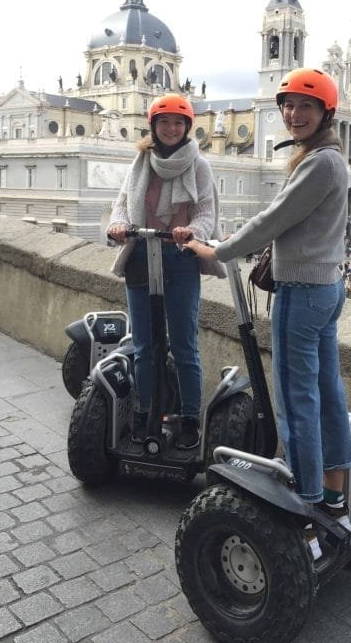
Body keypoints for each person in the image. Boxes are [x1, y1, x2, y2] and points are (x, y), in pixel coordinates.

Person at [185, 67, 351, 556]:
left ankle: (306, 516)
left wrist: (217, 252)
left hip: (301, 294)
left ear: (325, 112)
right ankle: (336, 502)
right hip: (325, 288)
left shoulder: (320, 163)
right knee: (328, 393)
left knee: (296, 402)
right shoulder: (329, 159)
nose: (292, 114)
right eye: (287, 104)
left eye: (305, 106)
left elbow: (272, 220)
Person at [107, 93, 224, 449]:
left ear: (187, 127)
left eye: (178, 123)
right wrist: (118, 225)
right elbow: (122, 204)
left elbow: (207, 212)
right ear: (153, 127)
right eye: (164, 123)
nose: (171, 129)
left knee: (185, 345)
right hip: (142, 254)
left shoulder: (199, 165)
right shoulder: (140, 161)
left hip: (180, 258)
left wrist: (193, 232)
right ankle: (144, 412)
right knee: (143, 344)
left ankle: (190, 417)